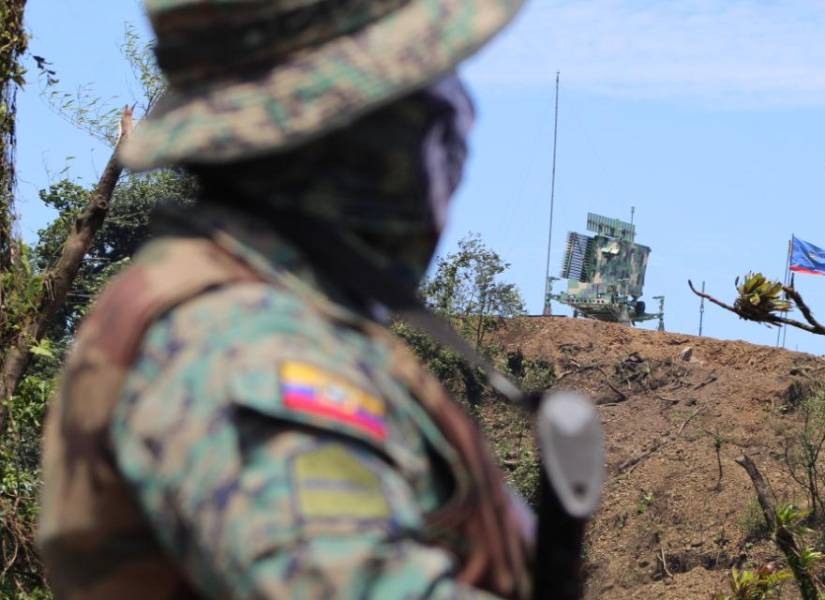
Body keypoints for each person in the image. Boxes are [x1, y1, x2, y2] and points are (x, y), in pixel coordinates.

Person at [36, 0, 534, 597]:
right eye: (429, 92)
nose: (459, 126)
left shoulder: (260, 308)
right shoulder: (240, 342)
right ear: (354, 132)